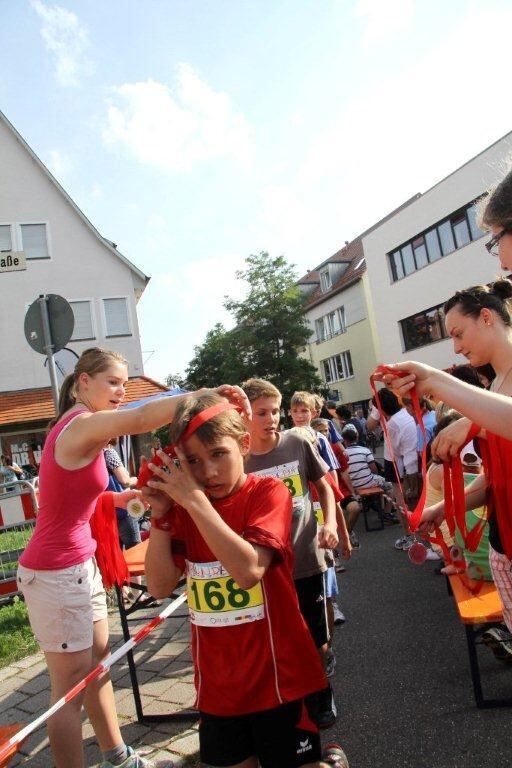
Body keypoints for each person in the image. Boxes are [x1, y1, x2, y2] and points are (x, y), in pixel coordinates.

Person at [16, 346, 250, 768]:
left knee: (97, 669)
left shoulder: (85, 429)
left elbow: (67, 500)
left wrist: (116, 499)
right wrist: (207, 394)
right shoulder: (81, 426)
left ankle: (118, 757)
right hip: (54, 571)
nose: (122, 391)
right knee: (68, 689)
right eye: (113, 382)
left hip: (77, 564)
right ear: (83, 382)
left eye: (125, 383)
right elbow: (143, 417)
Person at [143, 392, 349, 768]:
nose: (208, 473)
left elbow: (249, 570)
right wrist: (160, 517)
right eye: (193, 461)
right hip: (219, 688)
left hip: (279, 679)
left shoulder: (267, 492)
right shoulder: (188, 505)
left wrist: (193, 503)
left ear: (243, 444)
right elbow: (157, 587)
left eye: (218, 454)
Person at [379, 278, 512, 648]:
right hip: (504, 545)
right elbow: (495, 479)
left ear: (486, 317)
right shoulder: (494, 387)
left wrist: (436, 382)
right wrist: (444, 507)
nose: (455, 346)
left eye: (458, 333)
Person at [241, 378, 346, 731]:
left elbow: (325, 489)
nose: (270, 419)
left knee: (316, 637)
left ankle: (321, 694)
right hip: (268, 570)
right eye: (261, 413)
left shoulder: (297, 443)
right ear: (244, 416)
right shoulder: (239, 461)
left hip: (306, 559)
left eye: (274, 411)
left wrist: (329, 523)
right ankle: (287, 697)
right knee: (280, 638)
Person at [367, 388, 418, 550]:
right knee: (406, 503)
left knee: (402, 503)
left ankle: (410, 537)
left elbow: (396, 451)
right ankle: (411, 536)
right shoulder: (403, 414)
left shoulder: (393, 424)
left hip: (400, 466)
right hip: (407, 463)